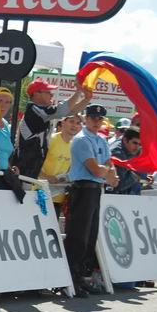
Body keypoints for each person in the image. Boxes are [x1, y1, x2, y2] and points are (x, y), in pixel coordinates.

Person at [65, 104, 119, 298]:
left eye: (99, 119)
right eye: (93, 118)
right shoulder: (82, 140)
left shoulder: (101, 139)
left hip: (95, 189)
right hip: (83, 188)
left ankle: (82, 276)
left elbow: (108, 165)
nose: (96, 122)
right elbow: (95, 169)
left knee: (90, 236)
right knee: (78, 236)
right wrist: (107, 173)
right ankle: (71, 278)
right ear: (86, 119)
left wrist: (108, 173)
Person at [13, 78, 92, 179]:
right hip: (24, 167)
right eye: (48, 92)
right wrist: (78, 91)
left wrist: (87, 99)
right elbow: (61, 110)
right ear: (36, 94)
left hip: (30, 167)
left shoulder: (40, 111)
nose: (51, 95)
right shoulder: (34, 109)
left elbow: (71, 112)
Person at [39, 113, 82, 214]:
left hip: (59, 196)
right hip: (40, 192)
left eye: (78, 123)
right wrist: (46, 177)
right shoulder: (50, 140)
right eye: (71, 121)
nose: (74, 125)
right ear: (63, 122)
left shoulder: (75, 145)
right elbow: (34, 163)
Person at [109, 127, 149, 195]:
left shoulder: (133, 148)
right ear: (125, 140)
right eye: (135, 143)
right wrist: (136, 176)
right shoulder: (117, 154)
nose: (137, 147)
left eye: (140, 144)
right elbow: (118, 185)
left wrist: (145, 177)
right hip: (114, 196)